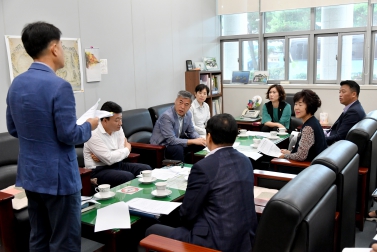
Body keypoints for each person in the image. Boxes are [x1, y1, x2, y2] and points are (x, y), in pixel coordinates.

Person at [6, 21, 98, 251]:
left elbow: (13, 129)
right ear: (55, 48)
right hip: (59, 179)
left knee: (39, 237)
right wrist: (89, 125)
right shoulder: (60, 86)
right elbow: (69, 135)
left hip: (30, 174)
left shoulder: (16, 84)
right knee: (64, 241)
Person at [146, 113, 258, 252]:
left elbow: (187, 216)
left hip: (215, 242)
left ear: (209, 137)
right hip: (245, 238)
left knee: (152, 230)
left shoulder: (204, 166)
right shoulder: (245, 160)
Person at [84, 101, 152, 188]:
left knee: (146, 170)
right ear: (105, 120)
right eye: (117, 120)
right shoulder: (93, 133)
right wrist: (127, 149)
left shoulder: (118, 128)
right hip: (98, 170)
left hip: (118, 164)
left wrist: (105, 157)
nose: (120, 123)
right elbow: (110, 158)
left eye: (121, 119)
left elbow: (116, 152)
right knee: (127, 177)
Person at [150, 90, 206, 162]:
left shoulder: (188, 114)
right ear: (175, 101)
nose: (182, 107)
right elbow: (171, 140)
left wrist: (200, 139)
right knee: (178, 148)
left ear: (190, 106)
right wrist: (193, 141)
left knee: (200, 144)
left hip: (176, 142)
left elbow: (191, 132)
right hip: (161, 146)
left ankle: (196, 168)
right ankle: (181, 171)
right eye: (180, 102)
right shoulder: (167, 117)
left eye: (186, 104)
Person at [279, 89, 327, 161]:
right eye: (296, 104)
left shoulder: (308, 128)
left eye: (300, 105)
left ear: (310, 106)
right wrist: (289, 152)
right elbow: (304, 153)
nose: (296, 108)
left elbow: (301, 156)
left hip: (306, 168)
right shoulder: (313, 121)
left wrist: (284, 156)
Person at [325, 80, 366, 145]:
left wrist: (320, 139)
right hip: (330, 136)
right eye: (339, 92)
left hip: (333, 145)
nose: (340, 95)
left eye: (343, 92)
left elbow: (340, 137)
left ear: (354, 94)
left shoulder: (353, 112)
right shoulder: (353, 107)